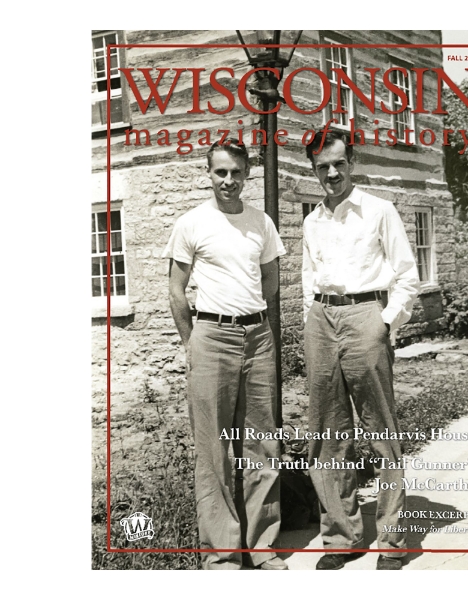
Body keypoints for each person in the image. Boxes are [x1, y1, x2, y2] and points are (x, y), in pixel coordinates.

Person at [162, 139, 288, 570]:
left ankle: (264, 547)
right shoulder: (192, 223)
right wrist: (192, 342)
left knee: (262, 444)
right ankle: (222, 555)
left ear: (247, 173)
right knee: (213, 447)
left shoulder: (261, 223)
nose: (229, 181)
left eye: (236, 172)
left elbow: (270, 282)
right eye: (221, 173)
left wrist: (249, 317)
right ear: (209, 173)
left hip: (257, 335)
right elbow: (177, 291)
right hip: (210, 336)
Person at [302, 131, 420, 570]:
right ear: (314, 169)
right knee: (327, 433)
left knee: (380, 430)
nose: (331, 174)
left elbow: (406, 274)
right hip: (321, 319)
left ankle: (392, 540)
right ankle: (341, 535)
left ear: (351, 161)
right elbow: (307, 276)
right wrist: (308, 320)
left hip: (365, 315)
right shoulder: (312, 220)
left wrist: (385, 323)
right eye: (322, 167)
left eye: (338, 163)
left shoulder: (379, 211)